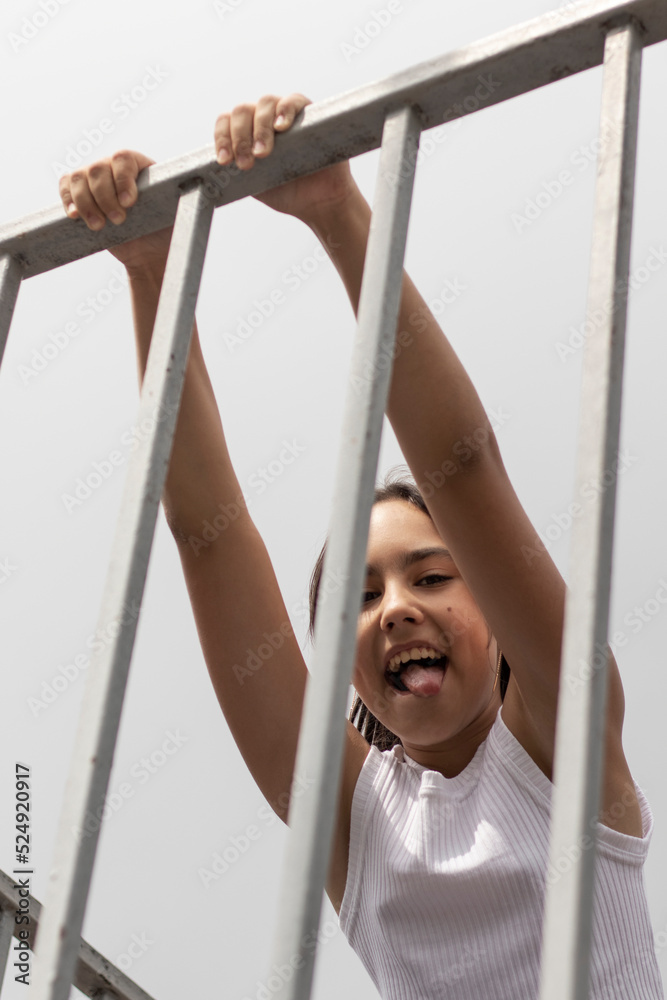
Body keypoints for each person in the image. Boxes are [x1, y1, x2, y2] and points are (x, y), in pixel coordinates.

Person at [58, 93, 665, 999]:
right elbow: (207, 538)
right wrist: (155, 270)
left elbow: (464, 470)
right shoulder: (356, 820)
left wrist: (337, 212)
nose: (396, 609)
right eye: (361, 595)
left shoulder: (565, 743)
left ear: (495, 619)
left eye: (431, 575)